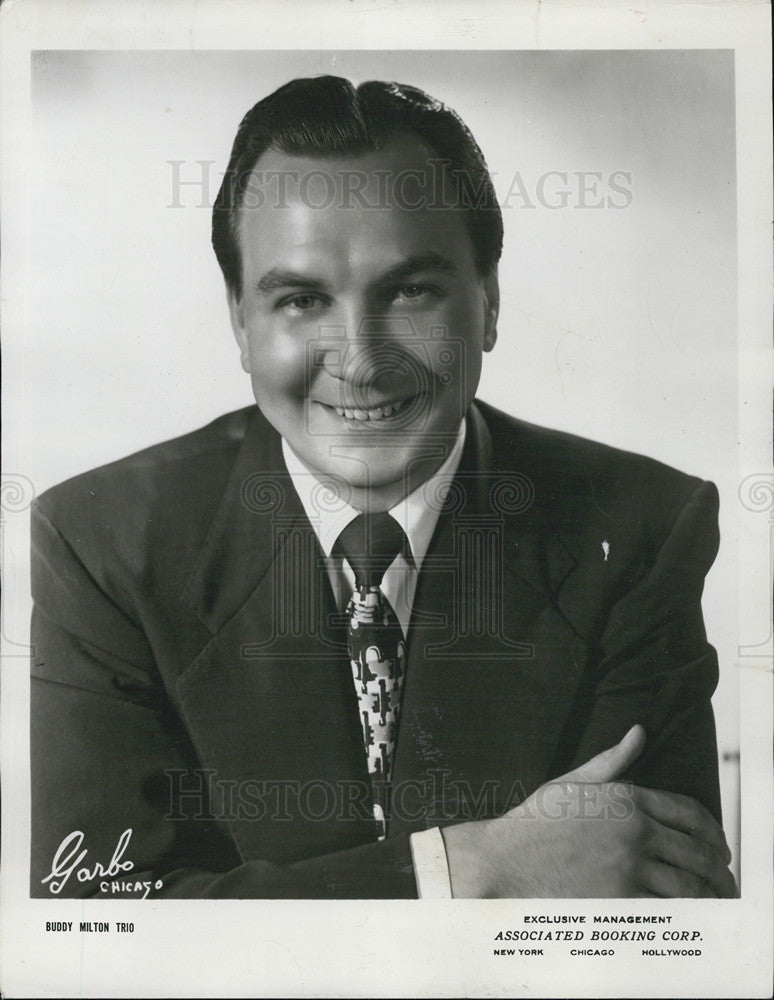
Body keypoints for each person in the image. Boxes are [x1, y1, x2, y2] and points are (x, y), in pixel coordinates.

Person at [30, 76, 736, 899]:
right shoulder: (98, 542)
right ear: (239, 323)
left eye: (409, 292)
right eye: (301, 300)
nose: (361, 361)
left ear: (491, 303)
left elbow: (658, 927)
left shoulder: (641, 528)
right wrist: (466, 872)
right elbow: (93, 925)